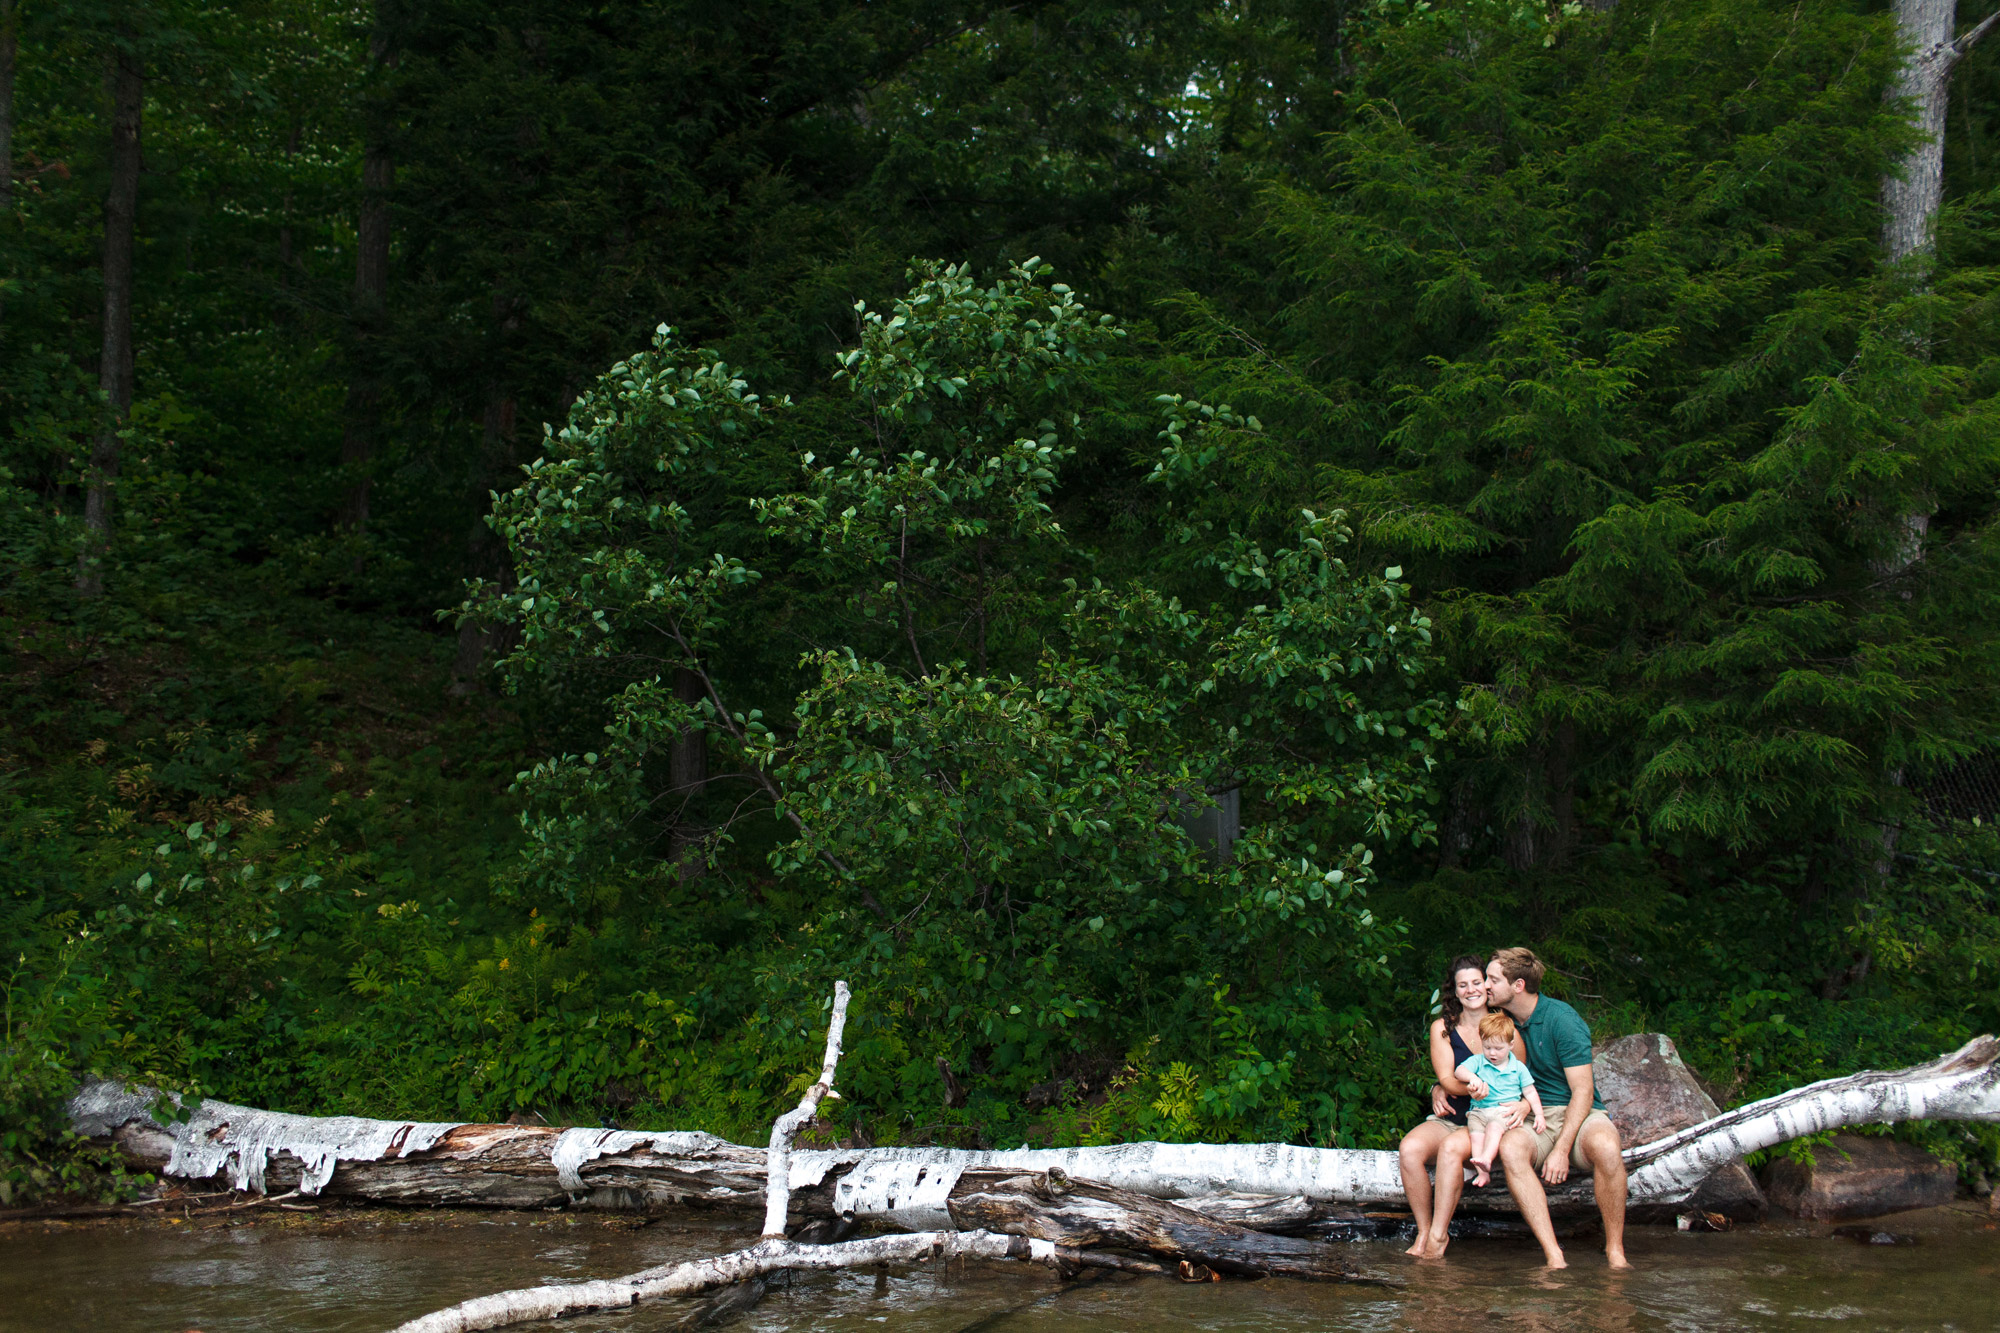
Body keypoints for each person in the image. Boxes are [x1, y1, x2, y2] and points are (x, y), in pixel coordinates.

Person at [1427, 947, 1632, 1269]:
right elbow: (1471, 1066)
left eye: (1492, 980)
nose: (1485, 987)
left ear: (1518, 986)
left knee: (1606, 1146)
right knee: (1511, 1150)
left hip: (1575, 1112)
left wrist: (1562, 1149)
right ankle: (1554, 1255)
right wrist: (1439, 1085)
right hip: (1529, 1116)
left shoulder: (1561, 1020)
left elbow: (1583, 1091)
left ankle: (1615, 1252)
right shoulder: (1500, 1024)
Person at [1395, 954, 1527, 1257]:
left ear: (1487, 986)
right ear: (1454, 991)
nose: (1471, 990)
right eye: (1462, 985)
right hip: (1452, 1116)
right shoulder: (1442, 1028)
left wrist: (1516, 1102)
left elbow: (1521, 1075)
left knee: (1451, 1150)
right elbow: (1446, 1077)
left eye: (1477, 983)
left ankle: (1439, 1237)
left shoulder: (1506, 1028)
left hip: (1487, 1120)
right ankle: (1424, 1232)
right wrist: (1455, 1086)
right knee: (1410, 1149)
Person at [1455, 1011, 1543, 1189]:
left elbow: (1531, 1092)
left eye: (1498, 1049)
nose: (1492, 1053)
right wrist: (1473, 1078)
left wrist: (1539, 1114)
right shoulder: (1479, 1061)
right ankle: (1483, 1173)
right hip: (1479, 1111)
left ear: (1510, 1045)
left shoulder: (1517, 1067)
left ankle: (1487, 1158)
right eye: (1487, 1047)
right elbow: (1459, 1071)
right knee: (1476, 1136)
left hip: (1503, 1111)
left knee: (1494, 1128)